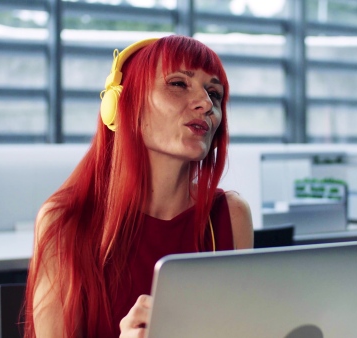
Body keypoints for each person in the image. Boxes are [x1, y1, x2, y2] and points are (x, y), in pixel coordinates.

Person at [23, 35, 254, 338]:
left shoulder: (231, 215)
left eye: (214, 93)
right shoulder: (66, 219)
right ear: (120, 104)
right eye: (178, 84)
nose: (206, 104)